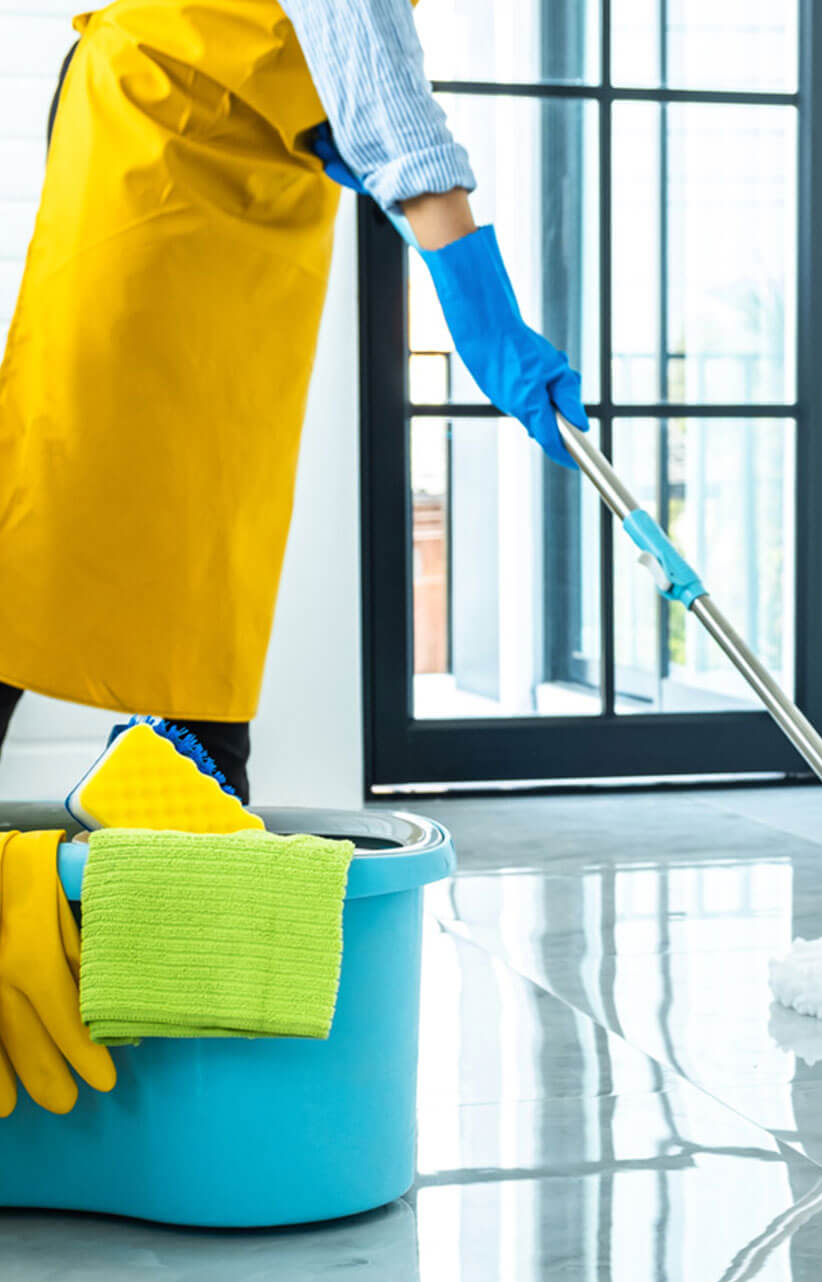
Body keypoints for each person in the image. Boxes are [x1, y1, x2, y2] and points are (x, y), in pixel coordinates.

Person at [0, 0, 587, 802]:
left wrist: (325, 120)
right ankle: (191, 799)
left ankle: (178, 800)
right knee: (57, 500)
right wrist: (488, 323)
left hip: (258, 174)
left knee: (210, 522)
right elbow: (392, 104)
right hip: (157, 140)